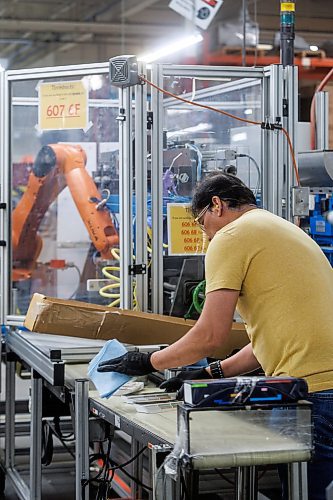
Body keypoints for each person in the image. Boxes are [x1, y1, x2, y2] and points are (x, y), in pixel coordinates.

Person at [98, 173, 333, 500]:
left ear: (217, 205)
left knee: (302, 491)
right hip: (324, 386)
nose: (205, 235)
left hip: (315, 393)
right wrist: (210, 372)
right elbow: (270, 342)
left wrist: (147, 361)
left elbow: (210, 335)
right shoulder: (278, 228)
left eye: (201, 223)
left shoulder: (232, 236)